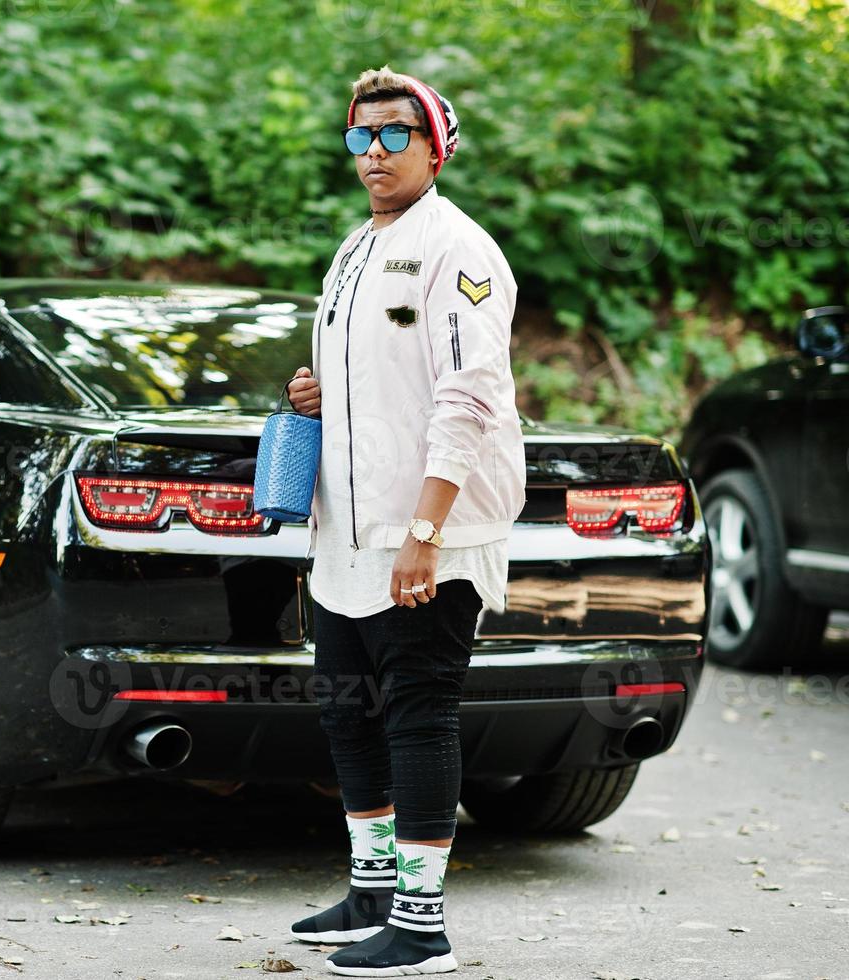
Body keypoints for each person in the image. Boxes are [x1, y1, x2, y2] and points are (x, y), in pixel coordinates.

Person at [284, 65, 527, 976]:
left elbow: (467, 399)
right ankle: (372, 892)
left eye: (393, 135)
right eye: (359, 137)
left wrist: (426, 534)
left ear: (435, 145)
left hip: (428, 533)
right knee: (347, 710)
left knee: (417, 715)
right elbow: (375, 381)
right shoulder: (354, 247)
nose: (373, 153)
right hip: (347, 530)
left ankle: (421, 923)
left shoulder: (458, 250)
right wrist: (307, 395)